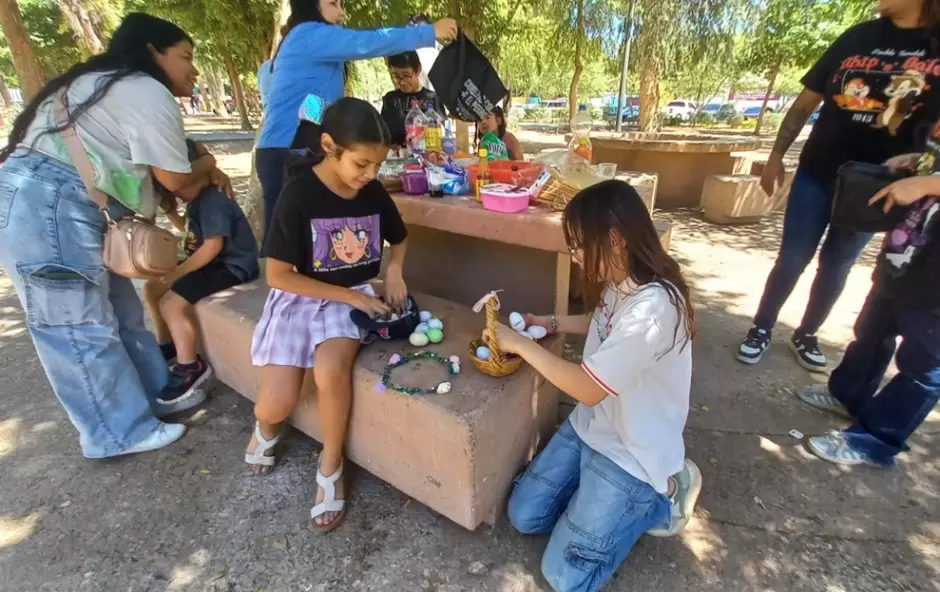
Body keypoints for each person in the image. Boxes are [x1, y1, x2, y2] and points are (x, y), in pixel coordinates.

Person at [0, 13, 232, 458]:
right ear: (153, 53)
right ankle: (117, 433)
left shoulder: (102, 84)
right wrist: (210, 165)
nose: (194, 70)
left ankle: (154, 395)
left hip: (61, 202)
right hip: (48, 205)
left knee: (122, 312)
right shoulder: (146, 90)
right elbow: (177, 180)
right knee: (77, 327)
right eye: (186, 57)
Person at [500, 180, 702, 592]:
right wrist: (550, 323)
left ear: (614, 239)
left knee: (564, 577)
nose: (574, 256)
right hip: (594, 424)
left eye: (578, 245)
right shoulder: (622, 279)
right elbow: (602, 320)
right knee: (524, 515)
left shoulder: (655, 309)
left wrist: (520, 345)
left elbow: (588, 388)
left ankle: (663, 495)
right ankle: (599, 504)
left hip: (632, 453)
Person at [736, 0, 940, 372]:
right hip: (817, 171)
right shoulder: (857, 36)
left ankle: (807, 333)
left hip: (877, 186)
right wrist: (776, 155)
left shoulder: (935, 45)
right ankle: (761, 327)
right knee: (792, 258)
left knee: (837, 264)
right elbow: (805, 103)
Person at [245, 98, 408, 532]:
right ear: (329, 146)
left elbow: (400, 238)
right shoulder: (298, 194)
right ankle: (264, 427)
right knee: (277, 403)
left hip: (351, 296)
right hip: (300, 293)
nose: (371, 174)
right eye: (361, 163)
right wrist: (351, 299)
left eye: (378, 164)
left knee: (330, 372)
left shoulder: (372, 192)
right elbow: (278, 275)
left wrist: (394, 270)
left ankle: (331, 463)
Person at [797, 124, 940, 467]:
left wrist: (927, 184)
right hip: (910, 252)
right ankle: (848, 394)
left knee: (923, 364)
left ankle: (874, 440)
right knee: (872, 330)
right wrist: (922, 162)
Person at [254, 0, 457, 236]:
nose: (342, 13)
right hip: (287, 152)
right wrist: (428, 32)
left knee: (308, 239)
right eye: (333, 4)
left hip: (295, 149)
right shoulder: (309, 35)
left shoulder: (302, 42)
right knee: (287, 243)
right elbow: (367, 43)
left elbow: (305, 104)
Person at [143, 139, 260, 394]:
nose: (176, 193)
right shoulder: (197, 200)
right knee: (153, 288)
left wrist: (178, 273)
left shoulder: (213, 201)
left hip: (230, 267)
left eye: (179, 187)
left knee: (171, 303)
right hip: (211, 262)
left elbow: (212, 246)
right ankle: (168, 343)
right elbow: (188, 230)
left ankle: (190, 366)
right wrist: (171, 211)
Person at [380, 51, 443, 147]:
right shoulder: (390, 99)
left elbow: (441, 133)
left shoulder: (433, 99)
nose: (402, 82)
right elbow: (382, 133)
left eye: (406, 76)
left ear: (418, 70)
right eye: (396, 76)